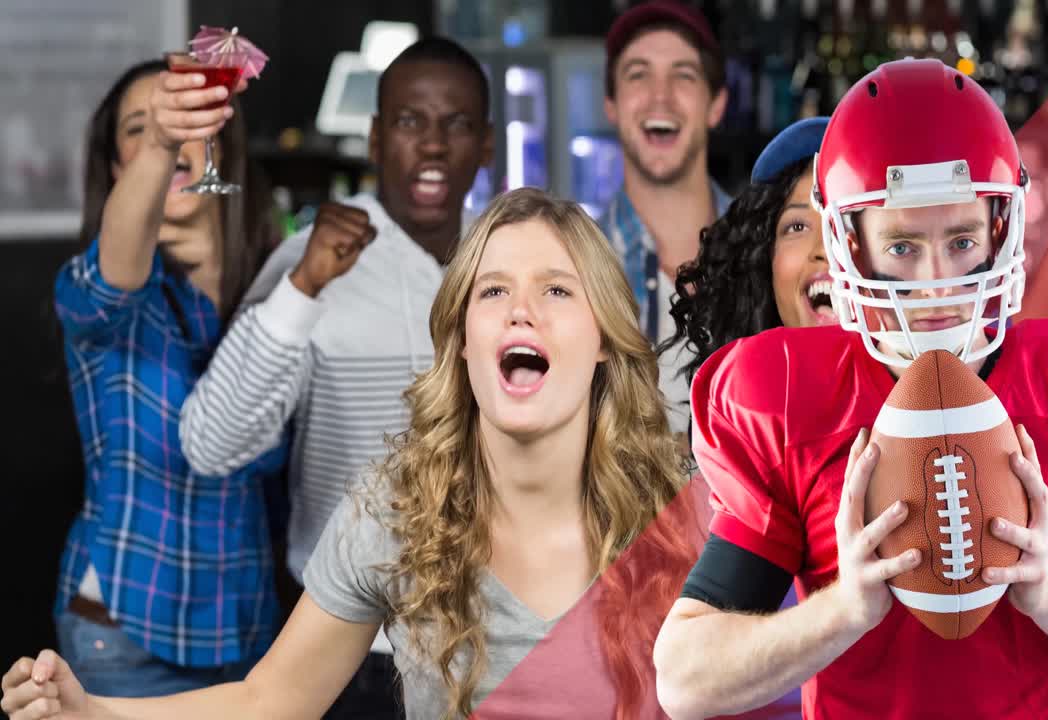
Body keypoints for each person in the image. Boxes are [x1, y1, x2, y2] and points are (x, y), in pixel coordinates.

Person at [1, 187, 701, 720]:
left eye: (556, 289)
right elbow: (270, 700)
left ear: (605, 336)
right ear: (462, 339)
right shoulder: (399, 508)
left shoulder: (689, 508)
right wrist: (90, 711)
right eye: (493, 290)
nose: (522, 310)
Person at [651, 58, 1048, 720]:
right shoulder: (788, 398)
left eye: (962, 239)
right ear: (849, 245)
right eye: (905, 247)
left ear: (1002, 231)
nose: (940, 282)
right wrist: (843, 611)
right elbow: (684, 682)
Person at [174, 37, 493, 717]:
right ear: (376, 139)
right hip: (350, 654)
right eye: (410, 122)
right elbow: (210, 444)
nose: (433, 144)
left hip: (495, 645)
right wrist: (305, 285)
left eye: (457, 124)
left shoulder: (511, 264)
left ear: (487, 144)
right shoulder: (311, 259)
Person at [45, 59, 284, 696]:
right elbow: (111, 277)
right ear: (122, 168)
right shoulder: (101, 292)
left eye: (189, 119)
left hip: (252, 635)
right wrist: (162, 138)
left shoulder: (275, 290)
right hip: (125, 639)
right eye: (140, 129)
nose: (172, 133)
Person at [600, 0, 731, 437]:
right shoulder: (572, 263)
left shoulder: (770, 255)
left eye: (683, 75)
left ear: (716, 105)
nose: (660, 96)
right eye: (638, 74)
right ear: (611, 106)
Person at [664, 116, 830, 385]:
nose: (825, 248)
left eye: (847, 220)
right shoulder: (729, 416)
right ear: (765, 264)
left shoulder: (920, 401)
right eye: (797, 226)